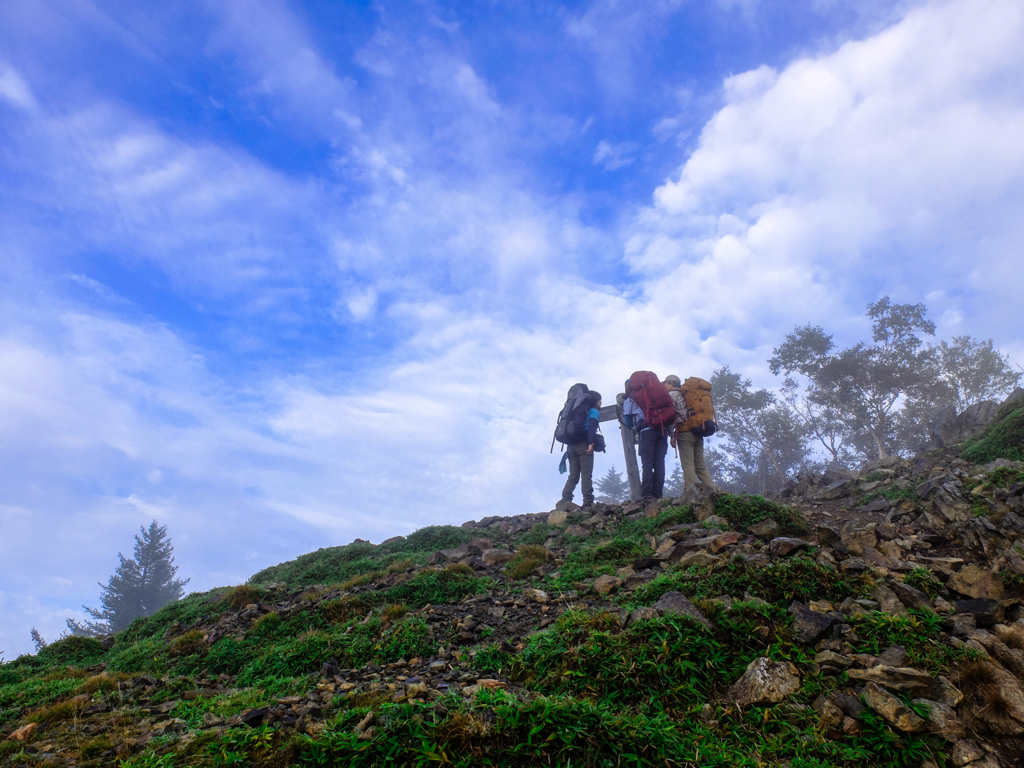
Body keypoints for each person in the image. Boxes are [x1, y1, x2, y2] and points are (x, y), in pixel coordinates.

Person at [664, 374, 717, 492]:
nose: (664, 386)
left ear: (671, 383)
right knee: (700, 466)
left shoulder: (672, 395)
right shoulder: (688, 394)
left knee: (688, 465)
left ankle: (690, 493)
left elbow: (671, 415)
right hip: (697, 430)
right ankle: (713, 491)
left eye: (665, 384)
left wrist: (672, 434)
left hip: (684, 433)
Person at [557, 392, 602, 513]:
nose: (601, 403)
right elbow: (592, 426)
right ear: (596, 401)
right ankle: (587, 501)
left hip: (571, 446)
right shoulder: (594, 411)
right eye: (600, 401)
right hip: (584, 445)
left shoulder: (578, 411)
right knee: (586, 474)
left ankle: (566, 498)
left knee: (573, 475)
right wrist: (591, 442)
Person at [623, 385, 668, 501]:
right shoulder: (655, 395)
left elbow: (627, 421)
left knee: (647, 463)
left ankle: (647, 493)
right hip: (662, 430)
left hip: (647, 432)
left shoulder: (629, 400)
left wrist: (635, 427)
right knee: (659, 462)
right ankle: (658, 494)